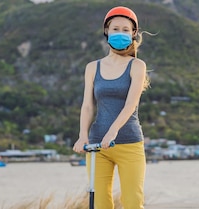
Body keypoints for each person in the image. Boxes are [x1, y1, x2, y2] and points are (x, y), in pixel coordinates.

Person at [72, 6, 149, 209]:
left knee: (133, 202)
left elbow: (131, 104)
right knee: (100, 204)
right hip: (98, 146)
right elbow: (87, 106)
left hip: (129, 142)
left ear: (133, 34)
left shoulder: (137, 66)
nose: (120, 33)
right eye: (115, 29)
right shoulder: (92, 67)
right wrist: (82, 135)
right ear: (106, 31)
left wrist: (112, 131)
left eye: (126, 29)